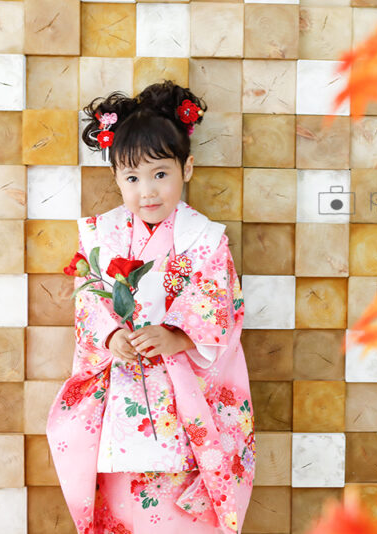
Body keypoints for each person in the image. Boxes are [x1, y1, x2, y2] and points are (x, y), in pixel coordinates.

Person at [46, 80, 255, 534]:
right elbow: (88, 298)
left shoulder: (205, 239)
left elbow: (222, 308)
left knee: (184, 514)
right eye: (132, 177)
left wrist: (176, 335)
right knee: (126, 508)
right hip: (121, 396)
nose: (148, 191)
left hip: (184, 398)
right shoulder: (101, 235)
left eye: (161, 174)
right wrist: (111, 335)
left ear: (188, 168)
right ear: (116, 178)